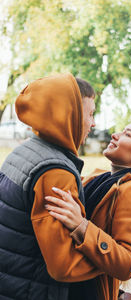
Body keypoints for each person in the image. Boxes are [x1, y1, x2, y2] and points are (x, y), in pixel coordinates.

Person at [44, 119, 131, 300]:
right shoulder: (98, 178)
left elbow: (128, 263)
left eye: (127, 134)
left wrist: (81, 226)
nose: (115, 135)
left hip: (89, 293)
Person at [0, 73, 96, 300]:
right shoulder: (55, 173)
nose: (93, 123)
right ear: (68, 115)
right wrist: (113, 260)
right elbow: (64, 267)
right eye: (90, 114)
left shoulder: (24, 151)